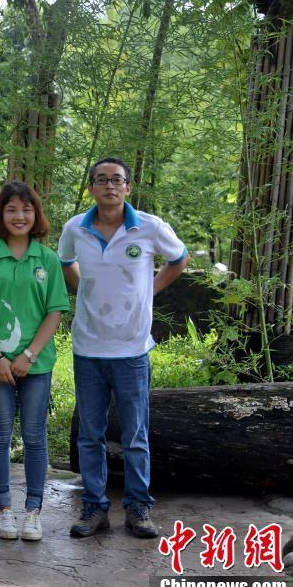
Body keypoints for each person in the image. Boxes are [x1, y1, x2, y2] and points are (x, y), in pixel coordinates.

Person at [58, 157, 188, 539]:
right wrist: (85, 290)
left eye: (117, 180)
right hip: (88, 348)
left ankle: (137, 508)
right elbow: (66, 263)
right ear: (91, 188)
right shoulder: (74, 229)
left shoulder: (149, 227)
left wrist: (150, 289)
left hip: (132, 350)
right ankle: (95, 508)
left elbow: (178, 260)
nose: (109, 186)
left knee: (135, 436)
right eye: (101, 180)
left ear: (128, 187)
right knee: (90, 435)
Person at [0, 180, 69, 541]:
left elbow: (55, 311)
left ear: (36, 213)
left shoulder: (48, 259)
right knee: (0, 435)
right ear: (1, 215)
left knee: (35, 437)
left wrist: (29, 354)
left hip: (36, 364)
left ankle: (33, 512)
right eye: (11, 209)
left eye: (26, 209)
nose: (19, 215)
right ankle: (4, 510)